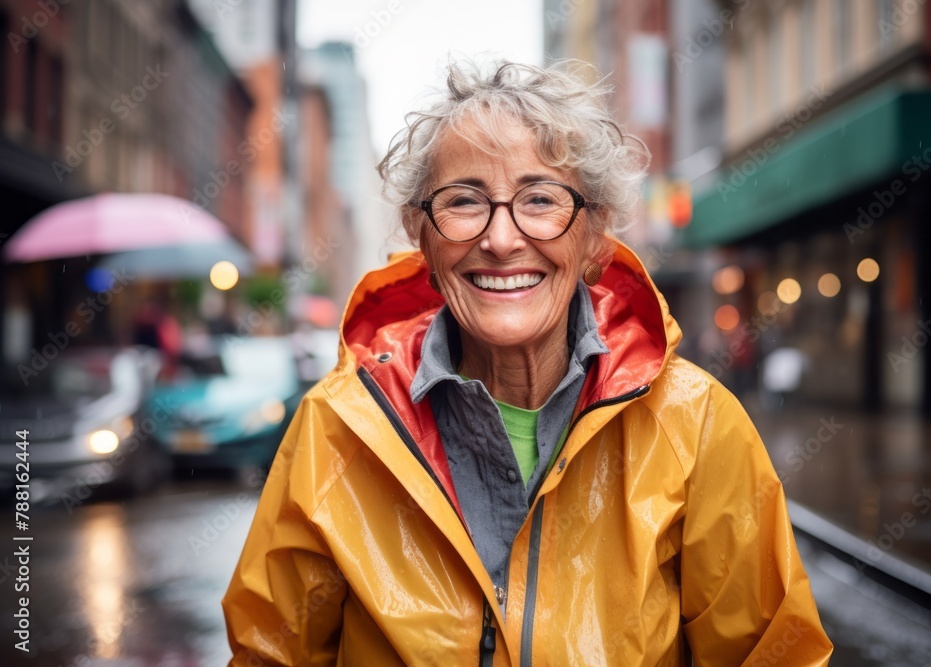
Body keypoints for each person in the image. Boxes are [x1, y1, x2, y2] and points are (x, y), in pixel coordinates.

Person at [222, 59, 833, 665]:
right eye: (464, 201)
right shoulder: (336, 427)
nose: (502, 238)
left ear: (594, 237)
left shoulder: (695, 423)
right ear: (423, 238)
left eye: (540, 199)